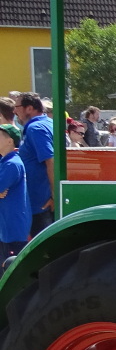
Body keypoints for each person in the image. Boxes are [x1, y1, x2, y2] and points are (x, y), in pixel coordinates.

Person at [12, 93, 54, 237]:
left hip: (41, 203)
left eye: (17, 107)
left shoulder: (36, 129)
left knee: (44, 246)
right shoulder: (48, 123)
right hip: (41, 201)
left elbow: (51, 161)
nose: (14, 111)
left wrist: (54, 197)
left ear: (29, 108)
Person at [0, 124, 30, 259]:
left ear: (10, 141)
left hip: (12, 230)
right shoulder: (5, 162)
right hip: (7, 227)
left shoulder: (12, 164)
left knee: (9, 266)